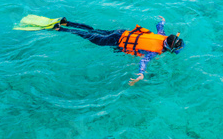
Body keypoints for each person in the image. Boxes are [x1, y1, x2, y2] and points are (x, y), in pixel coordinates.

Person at [53, 16, 184, 86]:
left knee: (94, 30)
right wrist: (141, 73)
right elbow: (144, 61)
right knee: (88, 36)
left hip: (121, 33)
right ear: (170, 48)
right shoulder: (155, 52)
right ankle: (60, 29)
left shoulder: (162, 35)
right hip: (116, 42)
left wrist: (163, 20)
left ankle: (66, 22)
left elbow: (159, 26)